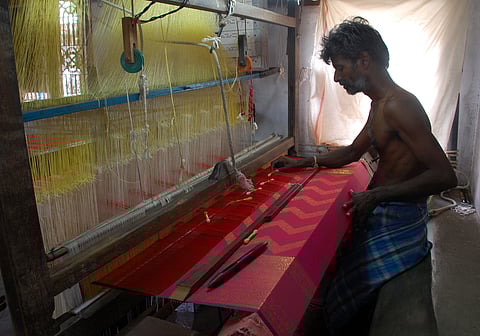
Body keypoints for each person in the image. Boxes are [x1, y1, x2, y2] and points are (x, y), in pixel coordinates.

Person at [272, 17, 457, 335]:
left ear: (364, 60)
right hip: (384, 211)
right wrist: (302, 162)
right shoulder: (380, 106)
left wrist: (375, 195)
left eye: (341, 67)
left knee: (341, 294)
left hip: (397, 219)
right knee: (340, 279)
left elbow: (444, 176)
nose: (337, 77)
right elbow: (350, 154)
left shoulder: (401, 107)